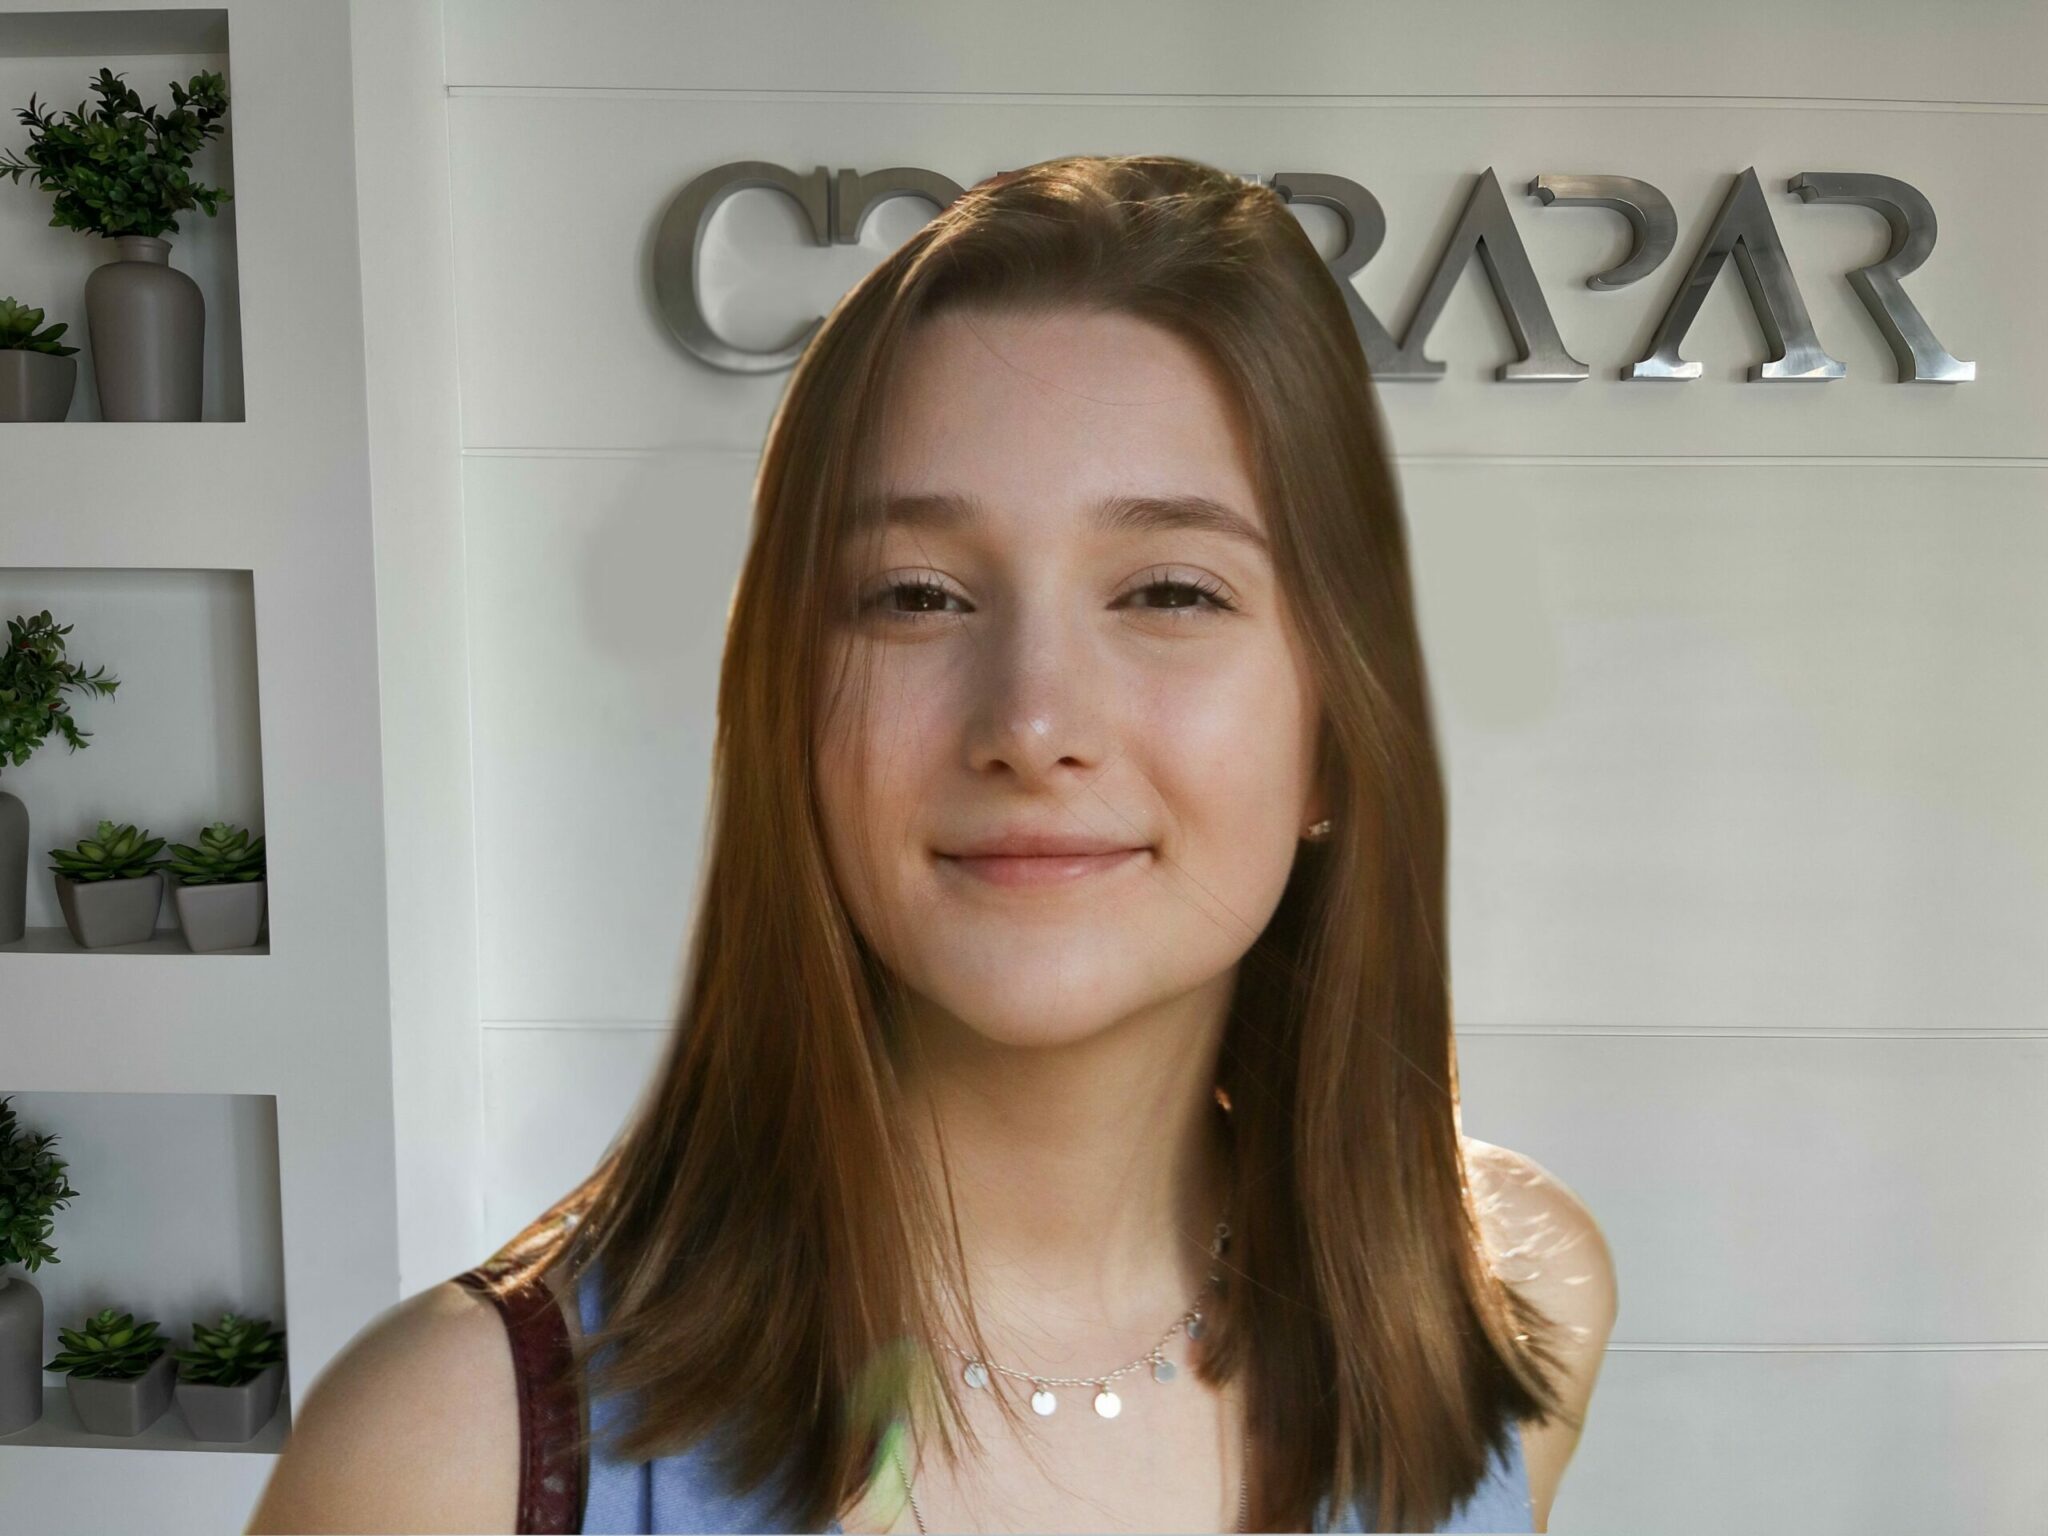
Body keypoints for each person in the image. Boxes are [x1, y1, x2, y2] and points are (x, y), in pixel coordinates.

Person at [247, 153, 1616, 1535]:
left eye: (1169, 592)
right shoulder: (443, 1457)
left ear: (1336, 725)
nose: (1031, 723)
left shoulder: (1519, 1300)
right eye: (916, 597)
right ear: (788, 709)